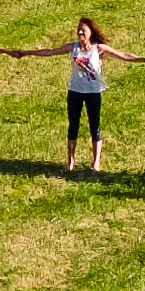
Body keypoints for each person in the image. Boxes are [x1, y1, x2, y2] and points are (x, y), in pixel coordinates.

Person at [59, 16, 115, 174]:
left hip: (93, 93)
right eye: (79, 29)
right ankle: (71, 161)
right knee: (73, 126)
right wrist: (25, 52)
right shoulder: (73, 47)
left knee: (94, 127)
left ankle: (96, 162)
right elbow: (50, 52)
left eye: (83, 29)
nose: (80, 32)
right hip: (75, 92)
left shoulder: (98, 49)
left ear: (91, 32)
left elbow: (123, 55)